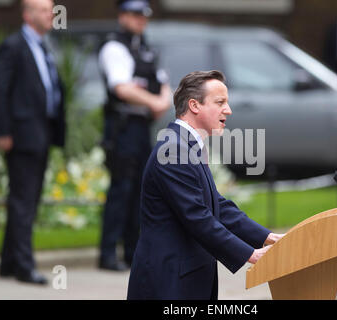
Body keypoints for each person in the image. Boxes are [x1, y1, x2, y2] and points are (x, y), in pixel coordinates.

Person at [127, 70, 284, 300]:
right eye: (220, 102)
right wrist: (251, 254)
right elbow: (198, 217)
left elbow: (216, 205)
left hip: (185, 278)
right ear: (194, 105)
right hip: (168, 283)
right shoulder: (174, 150)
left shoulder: (186, 145)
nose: (228, 110)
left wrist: (267, 237)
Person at [0, 0, 65, 284]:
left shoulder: (43, 46)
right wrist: (4, 131)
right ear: (28, 14)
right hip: (21, 136)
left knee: (27, 199)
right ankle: (24, 265)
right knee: (23, 201)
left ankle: (9, 262)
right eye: (46, 11)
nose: (52, 15)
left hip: (41, 133)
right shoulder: (13, 46)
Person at [97, 0, 172, 271]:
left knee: (141, 189)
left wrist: (161, 101)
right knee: (121, 188)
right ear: (122, 16)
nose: (141, 20)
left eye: (144, 15)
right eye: (135, 15)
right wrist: (154, 102)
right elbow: (121, 87)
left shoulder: (147, 49)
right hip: (122, 127)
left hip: (142, 127)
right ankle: (107, 254)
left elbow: (163, 83)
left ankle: (132, 252)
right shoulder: (115, 47)